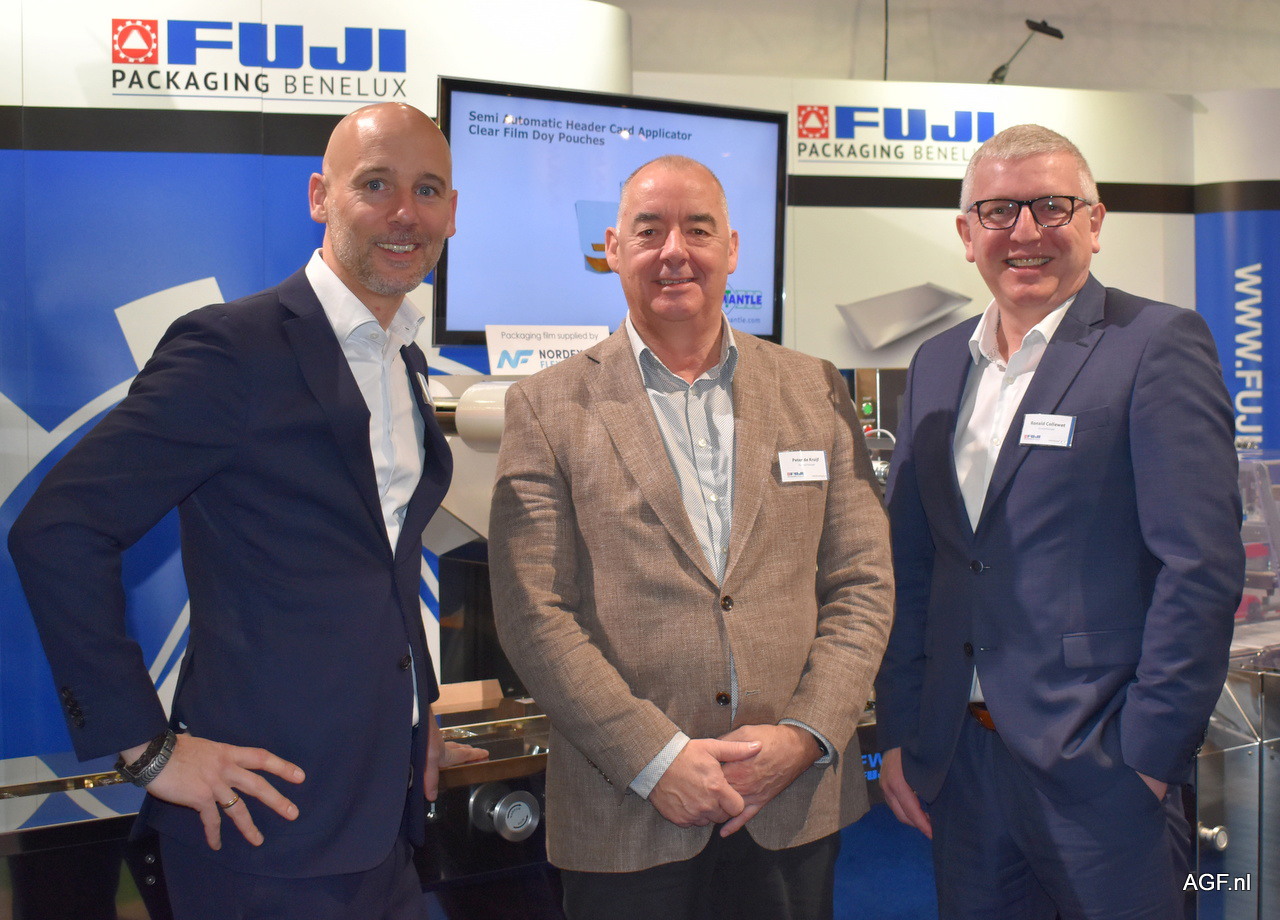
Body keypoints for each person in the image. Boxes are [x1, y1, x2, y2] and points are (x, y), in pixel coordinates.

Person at [8, 102, 485, 920]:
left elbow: (382, 561)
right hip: (263, 830)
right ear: (320, 196)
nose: (406, 213)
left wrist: (418, 712)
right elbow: (58, 529)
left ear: (452, 210)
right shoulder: (234, 349)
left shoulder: (401, 354)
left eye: (428, 189)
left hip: (384, 815)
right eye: (376, 185)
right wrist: (149, 751)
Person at [488, 154, 894, 920]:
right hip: (625, 811)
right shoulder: (547, 406)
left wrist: (805, 733)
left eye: (698, 229)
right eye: (649, 231)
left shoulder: (814, 388)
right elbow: (532, 612)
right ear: (613, 249)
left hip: (790, 804)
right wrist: (654, 759)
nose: (674, 251)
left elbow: (863, 580)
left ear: (732, 249)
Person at [875, 124, 1244, 919]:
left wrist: (1150, 755)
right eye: (999, 211)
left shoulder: (1156, 344)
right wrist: (901, 729)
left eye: (1052, 206)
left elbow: (1200, 568)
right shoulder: (936, 363)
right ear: (967, 233)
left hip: (1104, 769)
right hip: (962, 764)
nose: (1026, 232)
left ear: (1095, 223)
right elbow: (914, 562)